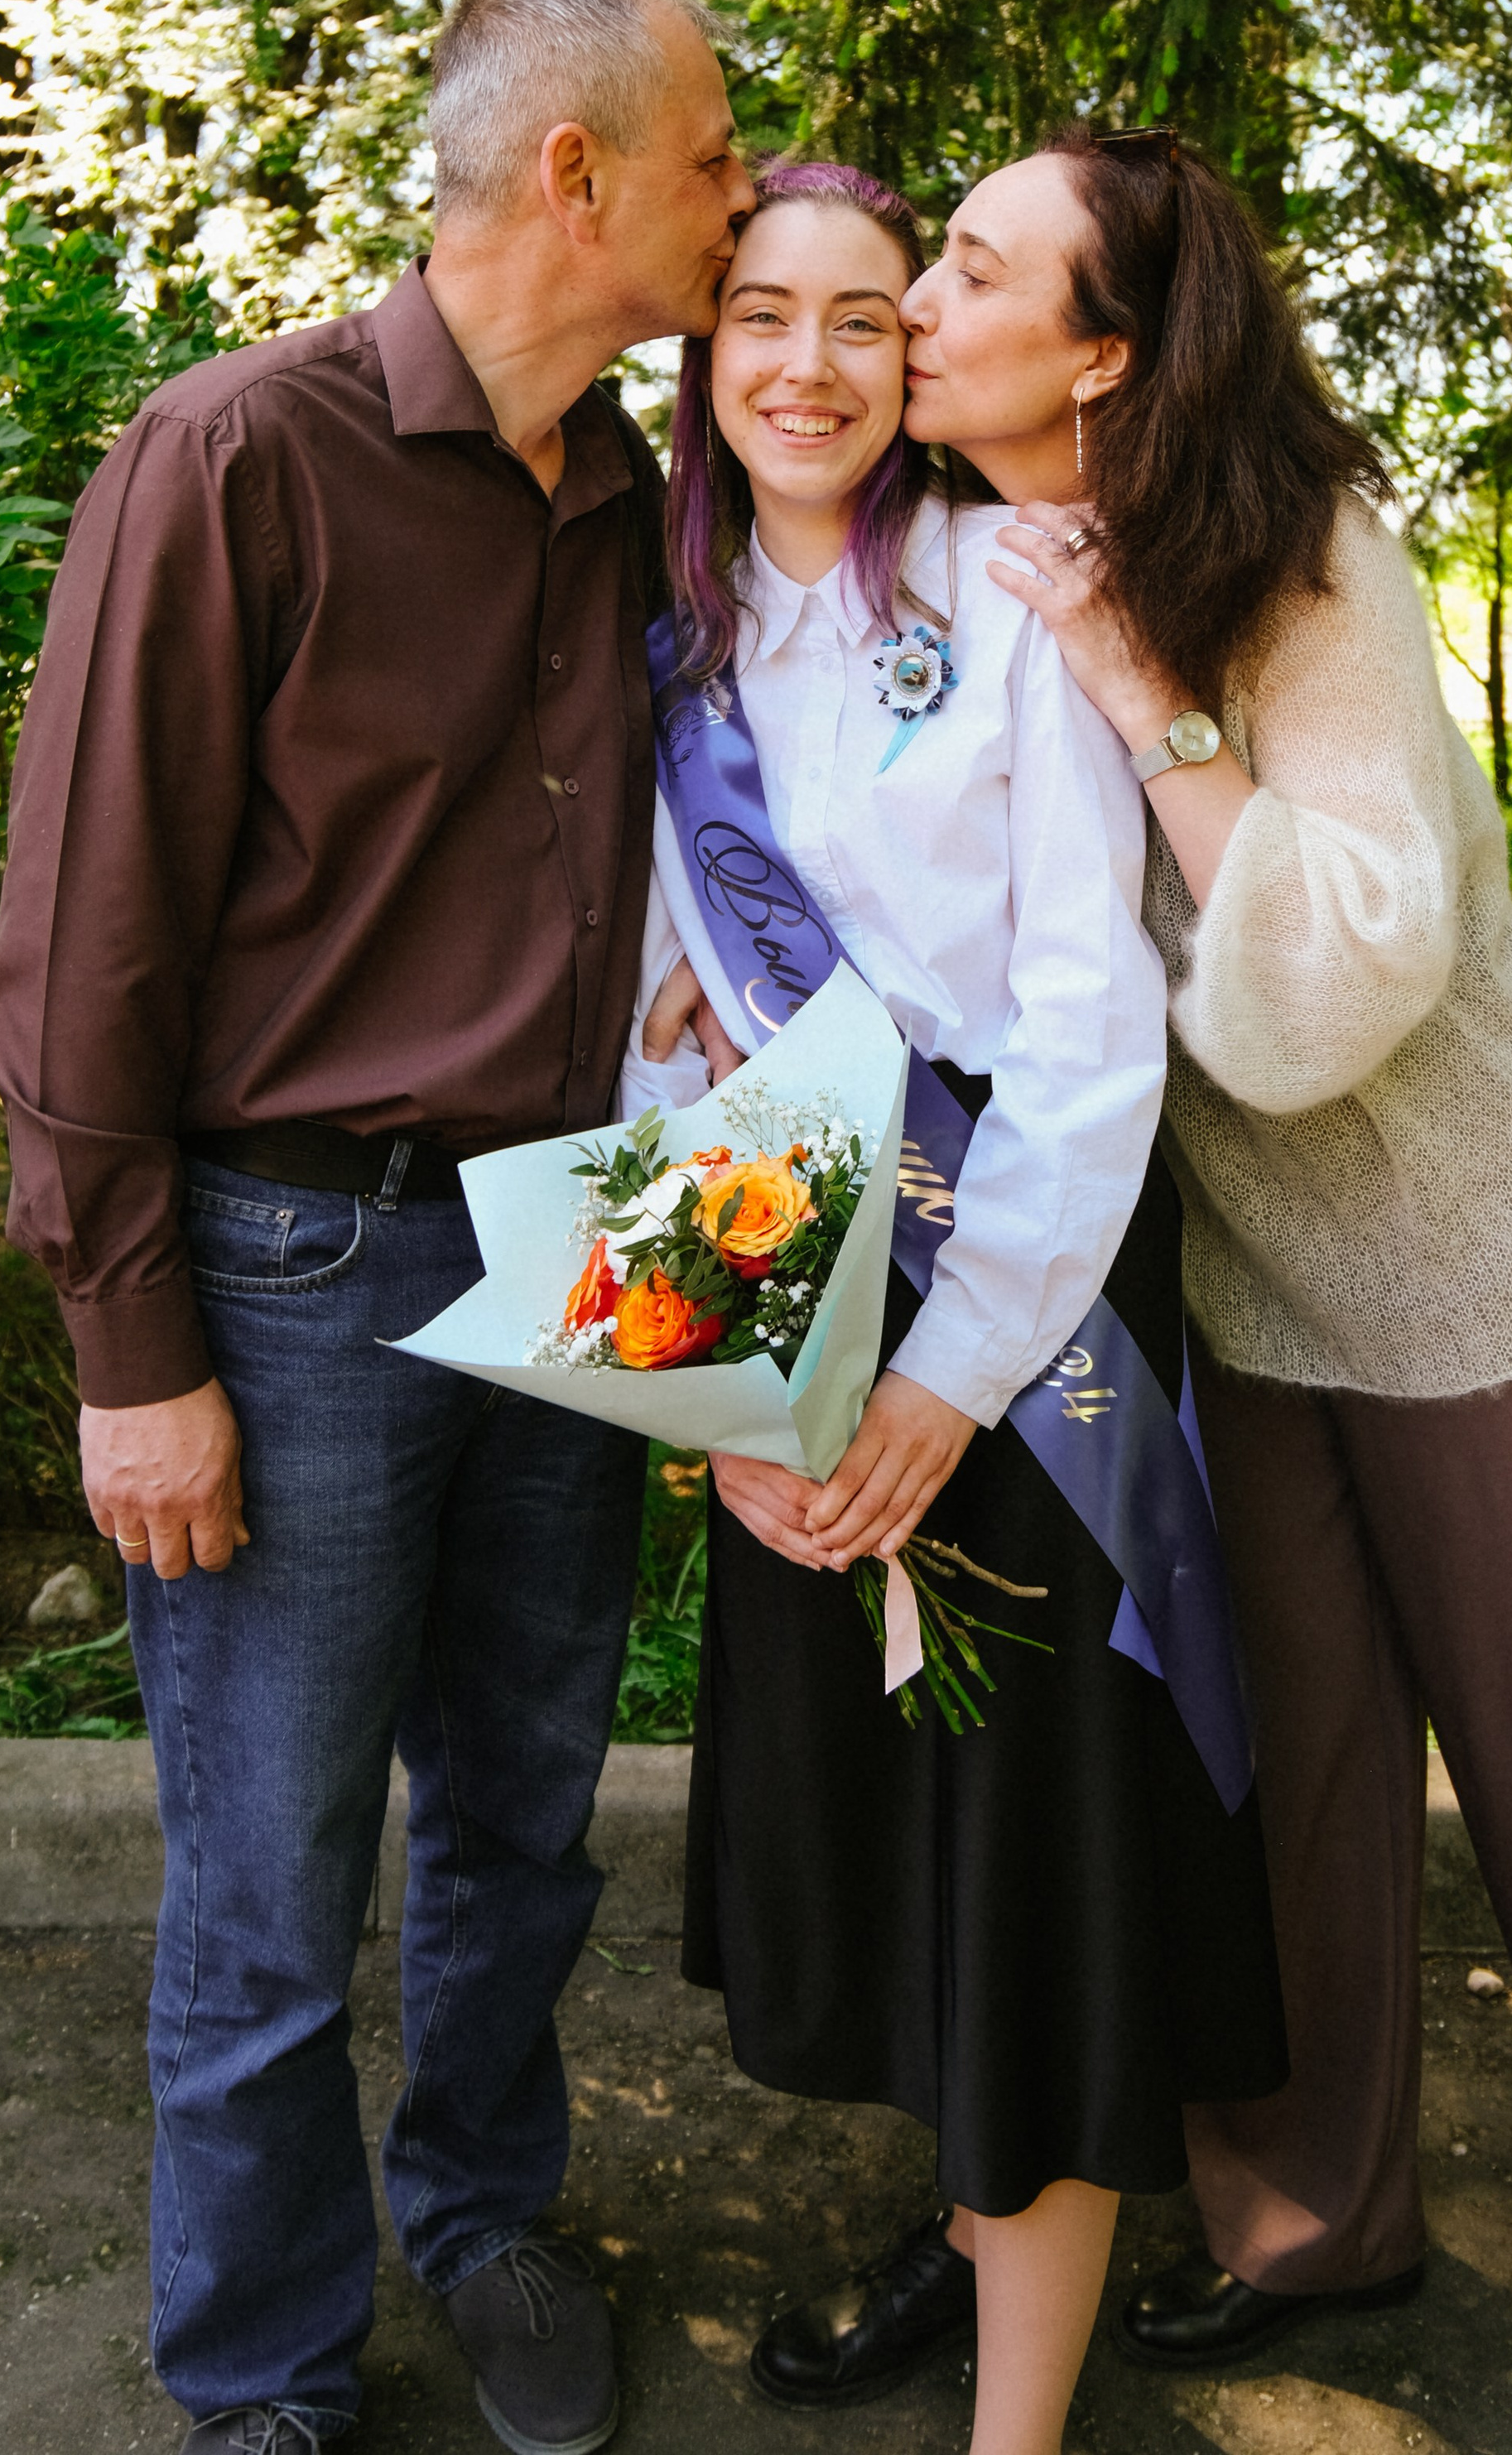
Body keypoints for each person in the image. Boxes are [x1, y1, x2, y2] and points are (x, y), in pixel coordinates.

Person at [884, 123, 1512, 2430]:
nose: (918, 293)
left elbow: (1327, 995)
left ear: (1101, 353)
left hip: (1463, 1255)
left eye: (974, 266)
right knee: (1286, 1779)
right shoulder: (956, 558)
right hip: (1246, 1283)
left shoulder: (1308, 571)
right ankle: (1315, 2211)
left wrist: (1153, 705)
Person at [0, 0, 756, 2455]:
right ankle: (264, 2368)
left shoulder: (650, 491)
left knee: (526, 1814)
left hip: (585, 1231)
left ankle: (485, 2225)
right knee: (270, 1871)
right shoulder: (234, 460)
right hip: (293, 1269)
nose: (740, 206)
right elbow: (84, 943)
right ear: (579, 174)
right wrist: (133, 1357)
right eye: (718, 161)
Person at [624, 160, 1285, 2455]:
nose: (806, 364)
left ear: (922, 358)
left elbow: (1101, 1038)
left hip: (1029, 1299)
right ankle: (967, 2237)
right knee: (899, 1866)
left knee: (1040, 1894)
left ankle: (1020, 2430)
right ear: (702, 357)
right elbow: (651, 1027)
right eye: (757, 319)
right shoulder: (658, 640)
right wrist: (727, 1394)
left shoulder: (1015, 601)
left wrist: (943, 1374)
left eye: (865, 319)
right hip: (778, 1294)